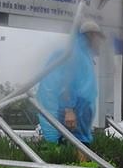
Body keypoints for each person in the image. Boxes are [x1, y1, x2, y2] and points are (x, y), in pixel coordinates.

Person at [36, 19, 105, 157]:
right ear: (91, 35)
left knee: (80, 146)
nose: (100, 43)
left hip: (80, 112)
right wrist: (69, 109)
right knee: (76, 147)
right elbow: (67, 82)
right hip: (75, 112)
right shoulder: (75, 54)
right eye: (98, 38)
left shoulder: (84, 55)